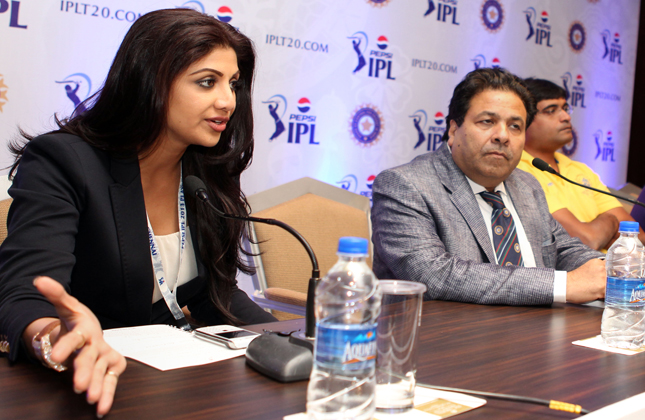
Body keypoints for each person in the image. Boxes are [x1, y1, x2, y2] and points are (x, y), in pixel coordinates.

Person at [0, 9, 276, 417]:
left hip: (174, 383)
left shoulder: (205, 172)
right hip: (80, 387)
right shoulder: (64, 161)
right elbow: (22, 294)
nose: (227, 101)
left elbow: (214, 294)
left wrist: (289, 341)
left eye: (233, 84)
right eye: (207, 82)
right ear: (150, 82)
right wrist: (55, 336)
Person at [371, 68, 606, 307]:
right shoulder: (405, 185)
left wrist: (615, 271)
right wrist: (563, 285)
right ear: (453, 130)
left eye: (515, 126)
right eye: (487, 121)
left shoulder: (526, 185)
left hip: (537, 331)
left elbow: (563, 250)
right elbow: (434, 275)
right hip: (445, 336)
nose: (503, 136)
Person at [517, 78, 644, 250]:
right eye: (551, 110)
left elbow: (638, 238)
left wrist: (598, 232)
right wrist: (611, 222)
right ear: (523, 120)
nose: (566, 117)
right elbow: (585, 239)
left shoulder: (581, 170)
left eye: (565, 108)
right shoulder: (518, 170)